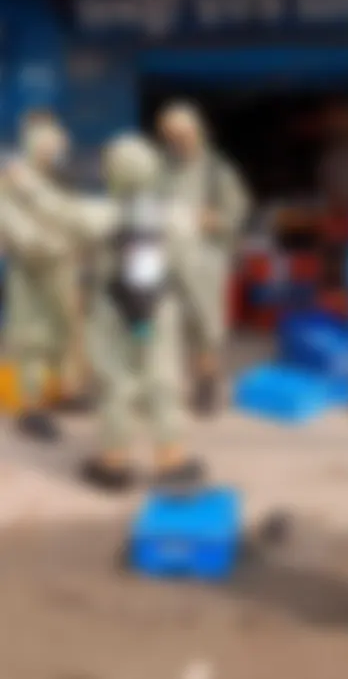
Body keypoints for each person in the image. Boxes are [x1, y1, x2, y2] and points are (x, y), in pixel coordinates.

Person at [8, 133, 200, 490]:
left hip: (112, 310)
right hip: (161, 308)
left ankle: (114, 464)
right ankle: (171, 458)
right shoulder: (176, 214)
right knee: (162, 379)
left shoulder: (102, 214)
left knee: (116, 383)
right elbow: (188, 258)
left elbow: (60, 212)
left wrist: (23, 182)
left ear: (115, 175)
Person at [157, 102, 250, 417]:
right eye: (171, 135)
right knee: (166, 326)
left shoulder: (215, 170)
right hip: (168, 259)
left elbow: (235, 212)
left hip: (205, 262)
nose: (177, 141)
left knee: (205, 328)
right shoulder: (164, 170)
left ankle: (206, 384)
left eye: (182, 134)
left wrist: (208, 219)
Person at [0, 113, 83, 440]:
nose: (57, 152)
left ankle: (63, 391)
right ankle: (31, 409)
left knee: (66, 332)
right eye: (51, 146)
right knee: (32, 337)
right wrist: (57, 245)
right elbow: (18, 231)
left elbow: (73, 217)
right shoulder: (12, 181)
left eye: (59, 146)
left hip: (64, 268)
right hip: (32, 271)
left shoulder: (57, 179)